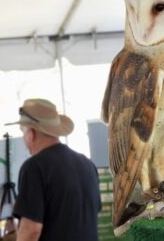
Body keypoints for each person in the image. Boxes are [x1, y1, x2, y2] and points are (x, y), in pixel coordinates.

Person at [8, 98, 101, 241]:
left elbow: (31, 229)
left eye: (23, 132)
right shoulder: (87, 164)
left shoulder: (34, 167)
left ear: (31, 133)